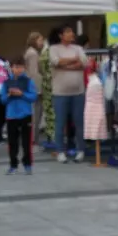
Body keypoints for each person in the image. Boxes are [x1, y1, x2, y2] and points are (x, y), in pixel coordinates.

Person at [49, 25, 87, 162]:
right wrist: (73, 61)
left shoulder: (78, 48)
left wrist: (64, 65)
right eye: (68, 32)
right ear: (61, 35)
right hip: (60, 92)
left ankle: (80, 149)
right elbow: (55, 62)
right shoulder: (54, 49)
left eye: (71, 31)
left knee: (79, 122)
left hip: (78, 92)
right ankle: (60, 151)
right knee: (60, 122)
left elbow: (84, 63)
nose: (71, 34)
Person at [2, 56, 36, 174]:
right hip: (11, 115)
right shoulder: (7, 82)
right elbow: (2, 99)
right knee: (12, 142)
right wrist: (9, 95)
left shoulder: (28, 81)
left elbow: (33, 96)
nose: (18, 70)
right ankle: (13, 165)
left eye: (21, 67)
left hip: (25, 114)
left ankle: (27, 164)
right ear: (11, 68)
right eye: (16, 67)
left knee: (26, 142)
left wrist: (22, 94)